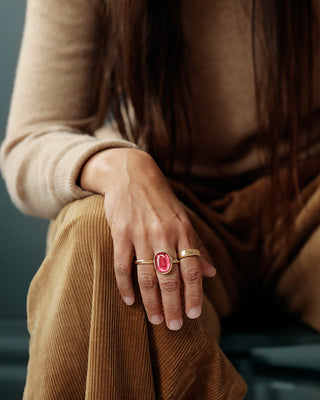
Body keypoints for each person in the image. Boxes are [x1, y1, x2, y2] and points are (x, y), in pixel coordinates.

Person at [1, 0, 320, 398]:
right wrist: (122, 169)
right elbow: (32, 138)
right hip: (170, 196)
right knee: (95, 234)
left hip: (307, 193)